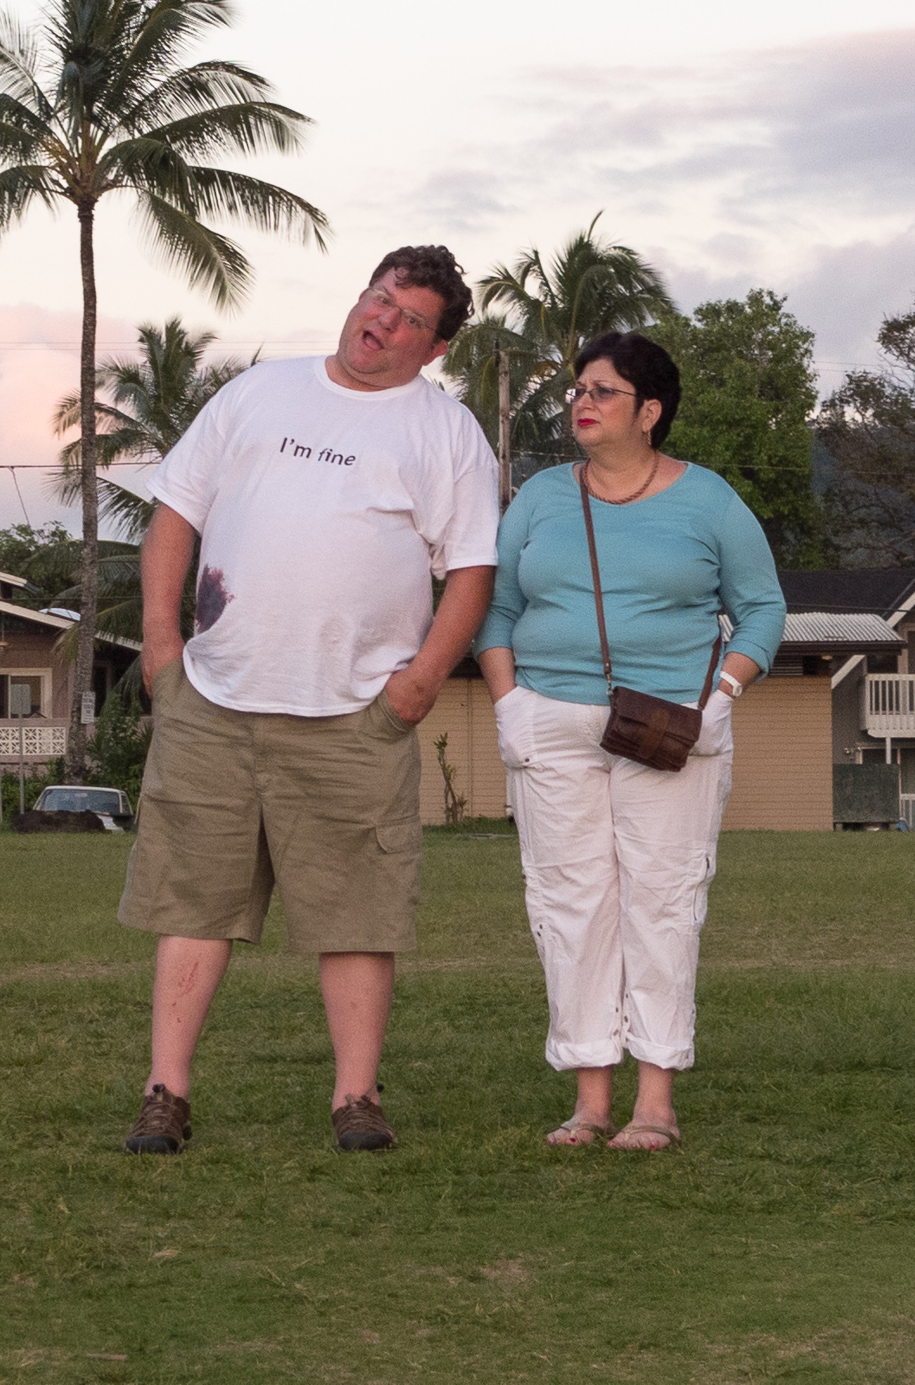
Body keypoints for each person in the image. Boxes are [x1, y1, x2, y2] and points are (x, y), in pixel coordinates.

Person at [116, 247, 499, 1158]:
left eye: (408, 318)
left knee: (357, 912)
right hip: (213, 698)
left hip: (356, 716)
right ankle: (164, 1094)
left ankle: (356, 1098)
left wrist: (417, 685)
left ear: (434, 346)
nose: (381, 322)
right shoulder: (257, 394)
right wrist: (164, 646)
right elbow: (176, 511)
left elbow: (472, 571)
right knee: (192, 904)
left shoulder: (445, 433)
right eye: (378, 299)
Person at [477, 331, 787, 1153]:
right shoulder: (540, 497)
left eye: (602, 390)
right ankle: (589, 1098)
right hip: (550, 719)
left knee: (661, 898)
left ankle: (655, 1100)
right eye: (578, 387)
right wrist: (509, 700)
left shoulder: (709, 500)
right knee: (568, 903)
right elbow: (495, 607)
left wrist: (723, 691)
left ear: (649, 412)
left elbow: (761, 611)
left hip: (668, 725)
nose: (580, 401)